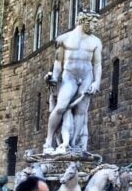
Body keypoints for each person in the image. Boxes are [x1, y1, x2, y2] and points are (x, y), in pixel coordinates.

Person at [43, 11, 102, 154]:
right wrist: (55, 78)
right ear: (83, 21)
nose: (95, 26)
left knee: (82, 111)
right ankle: (48, 141)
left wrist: (96, 82)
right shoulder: (64, 39)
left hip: (86, 76)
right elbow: (58, 62)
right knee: (61, 107)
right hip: (69, 76)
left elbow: (97, 64)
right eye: (93, 23)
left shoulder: (95, 41)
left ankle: (73, 144)